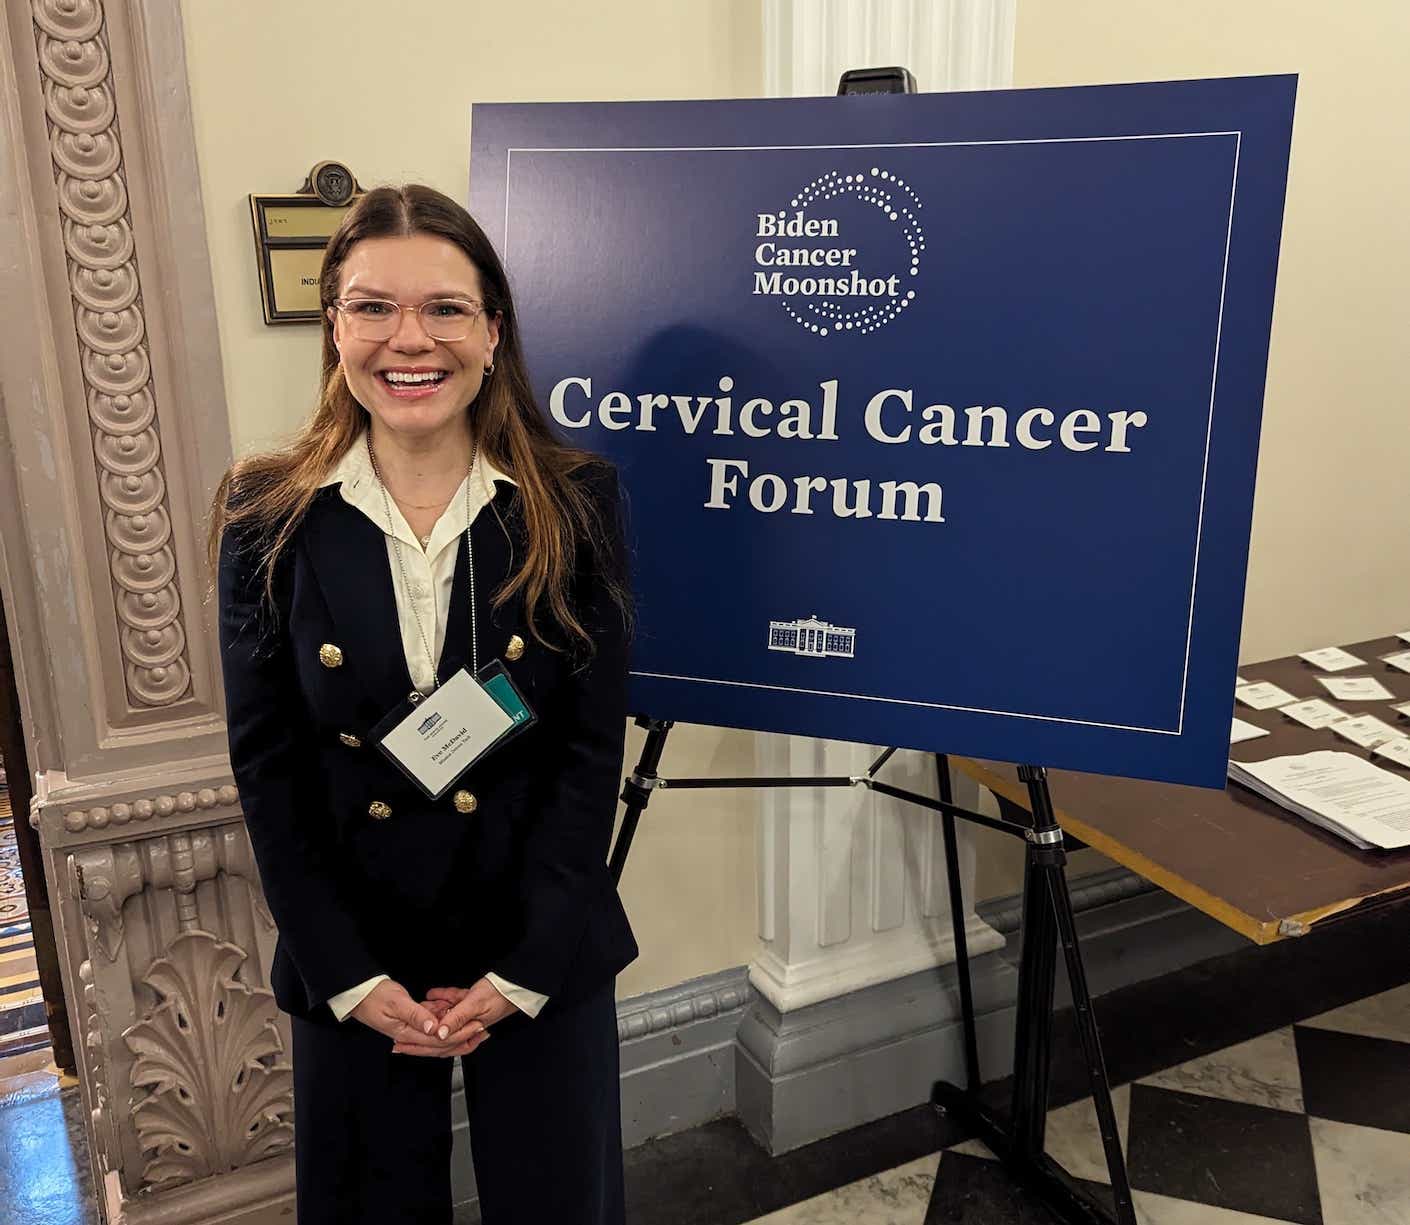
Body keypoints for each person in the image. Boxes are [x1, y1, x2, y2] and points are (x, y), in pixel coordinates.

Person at [210, 184, 637, 1225]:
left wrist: (527, 971)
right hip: (357, 956)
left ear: (493, 332)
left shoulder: (574, 502)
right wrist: (350, 977)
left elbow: (589, 758)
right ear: (334, 328)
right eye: (373, 307)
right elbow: (269, 772)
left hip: (539, 948)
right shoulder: (269, 515)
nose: (411, 339)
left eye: (445, 308)